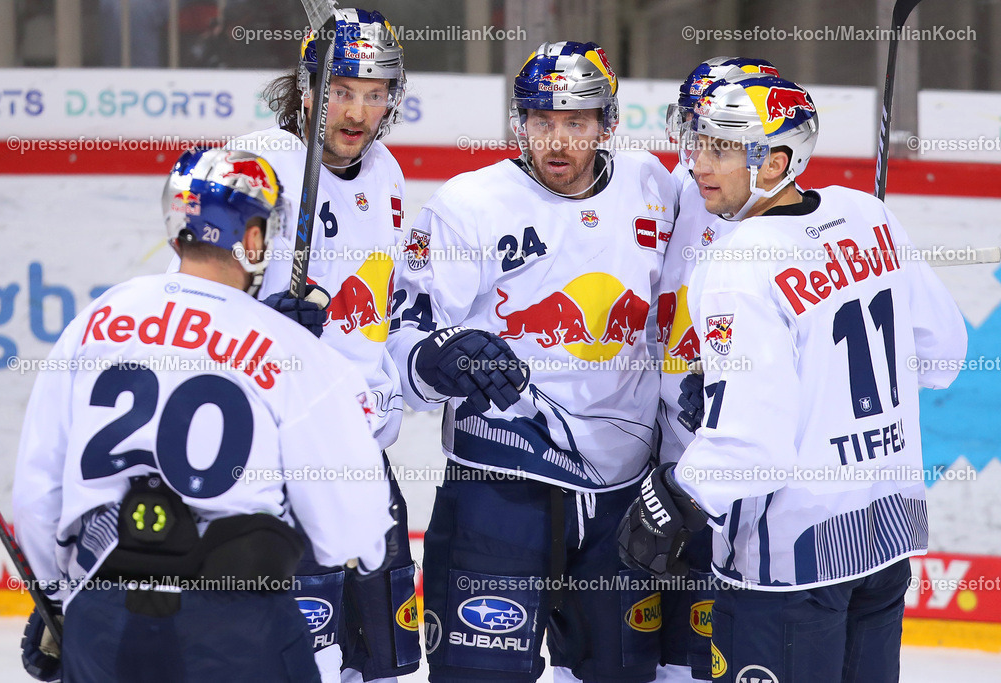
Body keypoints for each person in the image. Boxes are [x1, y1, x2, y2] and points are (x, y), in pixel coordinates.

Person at [619, 76, 967, 683]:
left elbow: (754, 446)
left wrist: (676, 496)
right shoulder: (866, 213)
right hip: (886, 533)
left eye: (722, 149)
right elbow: (943, 356)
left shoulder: (735, 263)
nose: (698, 164)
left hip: (789, 558)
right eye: (696, 143)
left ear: (776, 161)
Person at [12, 147, 393, 682]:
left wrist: (57, 600)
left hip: (106, 618)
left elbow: (35, 497)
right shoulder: (291, 347)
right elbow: (348, 528)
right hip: (238, 622)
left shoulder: (95, 322)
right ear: (254, 238)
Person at [388, 41, 679, 682]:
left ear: (607, 125)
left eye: (576, 123)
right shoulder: (468, 205)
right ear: (521, 122)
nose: (557, 141)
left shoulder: (655, 187)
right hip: (500, 480)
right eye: (541, 121)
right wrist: (439, 358)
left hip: (623, 495)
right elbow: (402, 345)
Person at [229, 9, 418, 682]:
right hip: (283, 454)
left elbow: (383, 314)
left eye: (375, 92)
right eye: (342, 89)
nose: (358, 110)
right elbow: (192, 301)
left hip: (363, 452)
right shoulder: (254, 164)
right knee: (302, 662)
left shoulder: (388, 173)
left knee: (383, 663)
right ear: (307, 89)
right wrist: (260, 323)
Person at [656, 57, 780, 682]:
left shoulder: (780, 218)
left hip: (740, 471)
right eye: (697, 131)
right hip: (663, 459)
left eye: (722, 139)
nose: (704, 153)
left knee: (720, 652)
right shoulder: (665, 189)